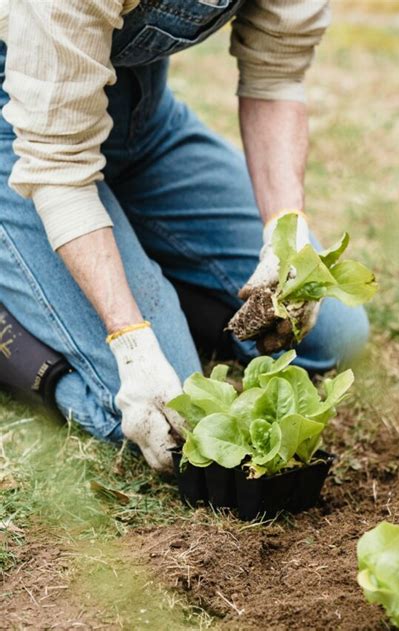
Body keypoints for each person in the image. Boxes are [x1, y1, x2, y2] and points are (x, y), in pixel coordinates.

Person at [0, 0, 368, 471]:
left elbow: (276, 76)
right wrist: (131, 343)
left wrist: (285, 236)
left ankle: (117, 251)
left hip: (141, 119)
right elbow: (58, 164)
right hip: (26, 138)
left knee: (333, 335)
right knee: (163, 419)